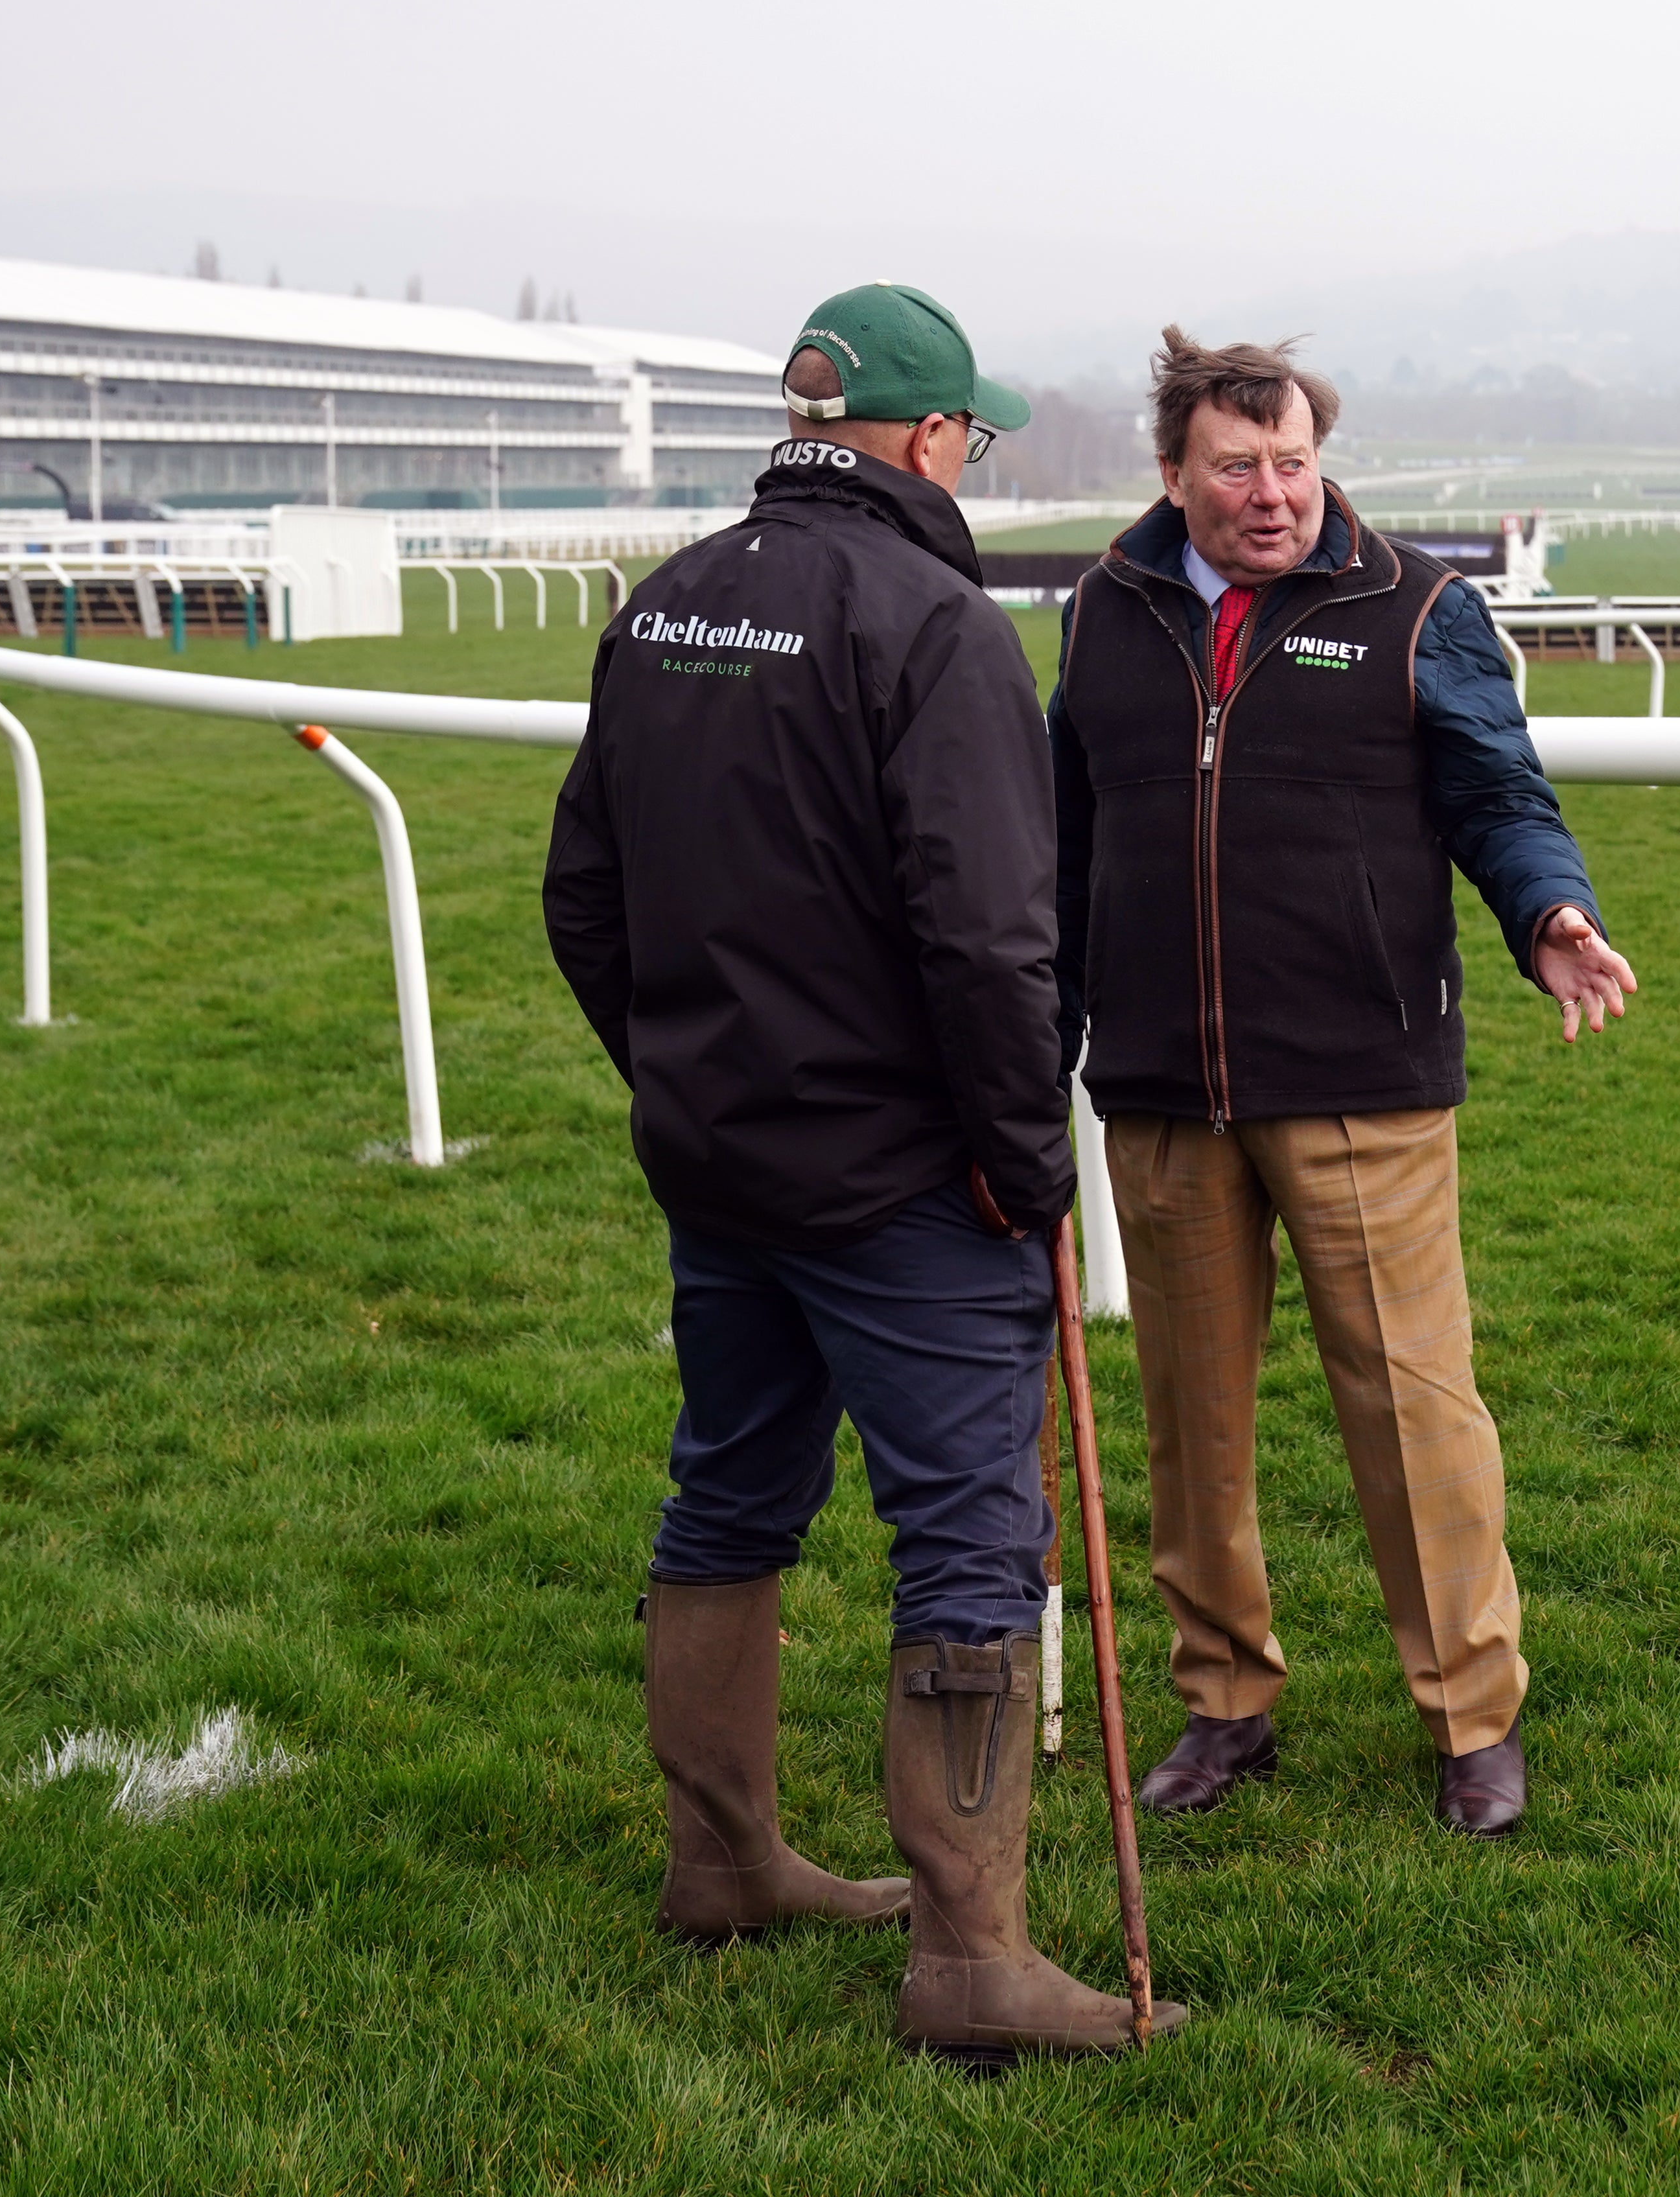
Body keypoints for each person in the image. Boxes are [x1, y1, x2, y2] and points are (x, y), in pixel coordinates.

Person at [542, 281, 1183, 2064]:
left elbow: (580, 897)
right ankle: (973, 1958)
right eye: (969, 436)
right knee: (972, 1537)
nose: (968, 461)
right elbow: (993, 943)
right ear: (922, 438)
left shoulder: (664, 602)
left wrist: (682, 1075)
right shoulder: (934, 618)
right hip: (907, 1188)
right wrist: (1015, 1166)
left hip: (721, 1162)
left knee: (728, 1502)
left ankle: (723, 1862)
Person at [1047, 329, 1637, 1841]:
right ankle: (1222, 1702)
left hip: (1362, 1077)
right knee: (1192, 1419)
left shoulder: (1418, 604)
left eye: (1294, 462)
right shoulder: (1103, 614)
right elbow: (1062, 837)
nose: (1272, 494)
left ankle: (1470, 1718)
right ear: (1172, 473)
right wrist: (1032, 1018)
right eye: (1236, 466)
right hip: (1164, 1083)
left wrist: (1547, 912)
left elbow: (1497, 790)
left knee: (1411, 1403)